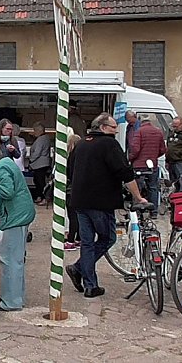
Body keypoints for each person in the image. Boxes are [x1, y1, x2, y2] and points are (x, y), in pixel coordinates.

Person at [65, 113, 148, 299]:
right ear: (102, 127)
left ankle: (89, 284)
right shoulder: (109, 144)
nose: (116, 130)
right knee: (107, 238)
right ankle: (80, 271)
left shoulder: (81, 144)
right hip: (100, 202)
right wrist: (138, 197)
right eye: (113, 128)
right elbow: (124, 172)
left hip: (79, 201)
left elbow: (70, 170)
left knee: (87, 243)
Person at [0, 141, 35, 311]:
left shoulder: (1, 167)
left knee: (11, 260)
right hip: (20, 214)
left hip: (16, 216)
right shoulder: (6, 163)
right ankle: (16, 297)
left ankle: (11, 302)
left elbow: (7, 192)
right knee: (15, 259)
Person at [128, 114, 167, 215]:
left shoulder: (139, 131)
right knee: (153, 187)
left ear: (141, 123)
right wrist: (154, 156)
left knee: (137, 189)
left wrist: (130, 158)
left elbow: (135, 149)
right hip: (152, 165)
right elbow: (163, 149)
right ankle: (153, 211)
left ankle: (137, 211)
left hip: (139, 165)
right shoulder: (158, 132)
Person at [64, 134, 82, 251]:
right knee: (79, 216)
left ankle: (71, 240)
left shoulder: (71, 158)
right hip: (80, 190)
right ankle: (79, 239)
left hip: (71, 190)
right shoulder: (82, 159)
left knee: (72, 216)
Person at [27, 123, 52, 205]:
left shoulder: (41, 139)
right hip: (43, 163)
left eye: (35, 130)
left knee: (40, 181)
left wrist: (31, 160)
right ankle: (40, 197)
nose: (34, 132)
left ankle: (43, 197)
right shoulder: (46, 138)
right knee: (38, 181)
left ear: (39, 131)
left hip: (40, 164)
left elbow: (37, 152)